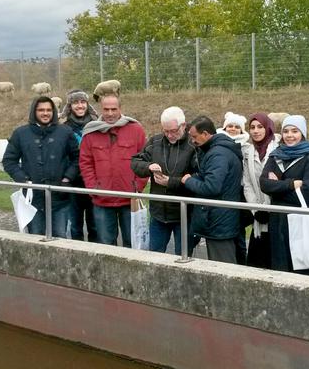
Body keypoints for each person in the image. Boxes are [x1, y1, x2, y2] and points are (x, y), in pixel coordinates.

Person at [2, 96, 78, 238]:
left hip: (59, 197)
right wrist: (23, 179)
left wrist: (68, 177)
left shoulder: (65, 132)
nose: (45, 113)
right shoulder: (20, 133)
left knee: (60, 237)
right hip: (33, 199)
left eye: (49, 110)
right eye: (41, 110)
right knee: (36, 237)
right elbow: (9, 160)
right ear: (34, 112)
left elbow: (77, 158)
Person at [79, 95, 148, 247]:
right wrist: (93, 188)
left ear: (120, 109)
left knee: (134, 244)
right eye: (106, 109)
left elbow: (145, 160)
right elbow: (85, 163)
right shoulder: (91, 133)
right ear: (100, 110)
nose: (110, 113)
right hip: (102, 200)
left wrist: (137, 187)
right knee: (106, 244)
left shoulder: (136, 129)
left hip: (129, 200)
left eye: (114, 109)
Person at [260, 115, 309, 275]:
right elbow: (264, 183)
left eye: (294, 131)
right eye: (286, 131)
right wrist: (291, 184)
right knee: (281, 268)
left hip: (303, 220)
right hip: (279, 221)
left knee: (305, 269)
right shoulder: (277, 154)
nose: (289, 135)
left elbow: (308, 191)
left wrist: (277, 188)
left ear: (302, 133)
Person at [130, 106, 197, 254]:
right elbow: (135, 162)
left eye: (173, 131)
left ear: (184, 126)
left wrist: (171, 182)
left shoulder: (193, 145)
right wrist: (149, 166)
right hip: (159, 213)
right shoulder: (156, 141)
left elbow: (198, 178)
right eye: (165, 131)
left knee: (184, 256)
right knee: (155, 255)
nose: (169, 135)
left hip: (184, 214)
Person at [181, 116, 244, 264]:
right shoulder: (217, 150)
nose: (192, 140)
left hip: (219, 221)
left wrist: (189, 180)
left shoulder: (217, 154)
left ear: (205, 134)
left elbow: (212, 187)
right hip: (220, 217)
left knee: (223, 268)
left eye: (194, 137)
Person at [59, 89, 98, 242]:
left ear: (87, 104)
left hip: (93, 183)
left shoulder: (97, 125)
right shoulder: (63, 128)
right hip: (73, 183)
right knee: (75, 226)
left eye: (83, 102)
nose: (79, 105)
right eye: (75, 102)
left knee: (95, 225)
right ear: (70, 106)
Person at [241, 113, 279, 269]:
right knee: (257, 262)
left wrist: (268, 209)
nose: (256, 131)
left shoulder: (278, 150)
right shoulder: (249, 152)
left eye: (260, 127)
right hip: (258, 215)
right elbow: (247, 183)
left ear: (268, 128)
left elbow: (277, 182)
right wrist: (256, 209)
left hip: (276, 211)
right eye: (252, 127)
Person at [217, 111, 250, 264]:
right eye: (229, 126)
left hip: (241, 195)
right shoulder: (216, 145)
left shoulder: (247, 148)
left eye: (237, 127)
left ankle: (242, 264)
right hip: (223, 194)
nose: (232, 129)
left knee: (239, 234)